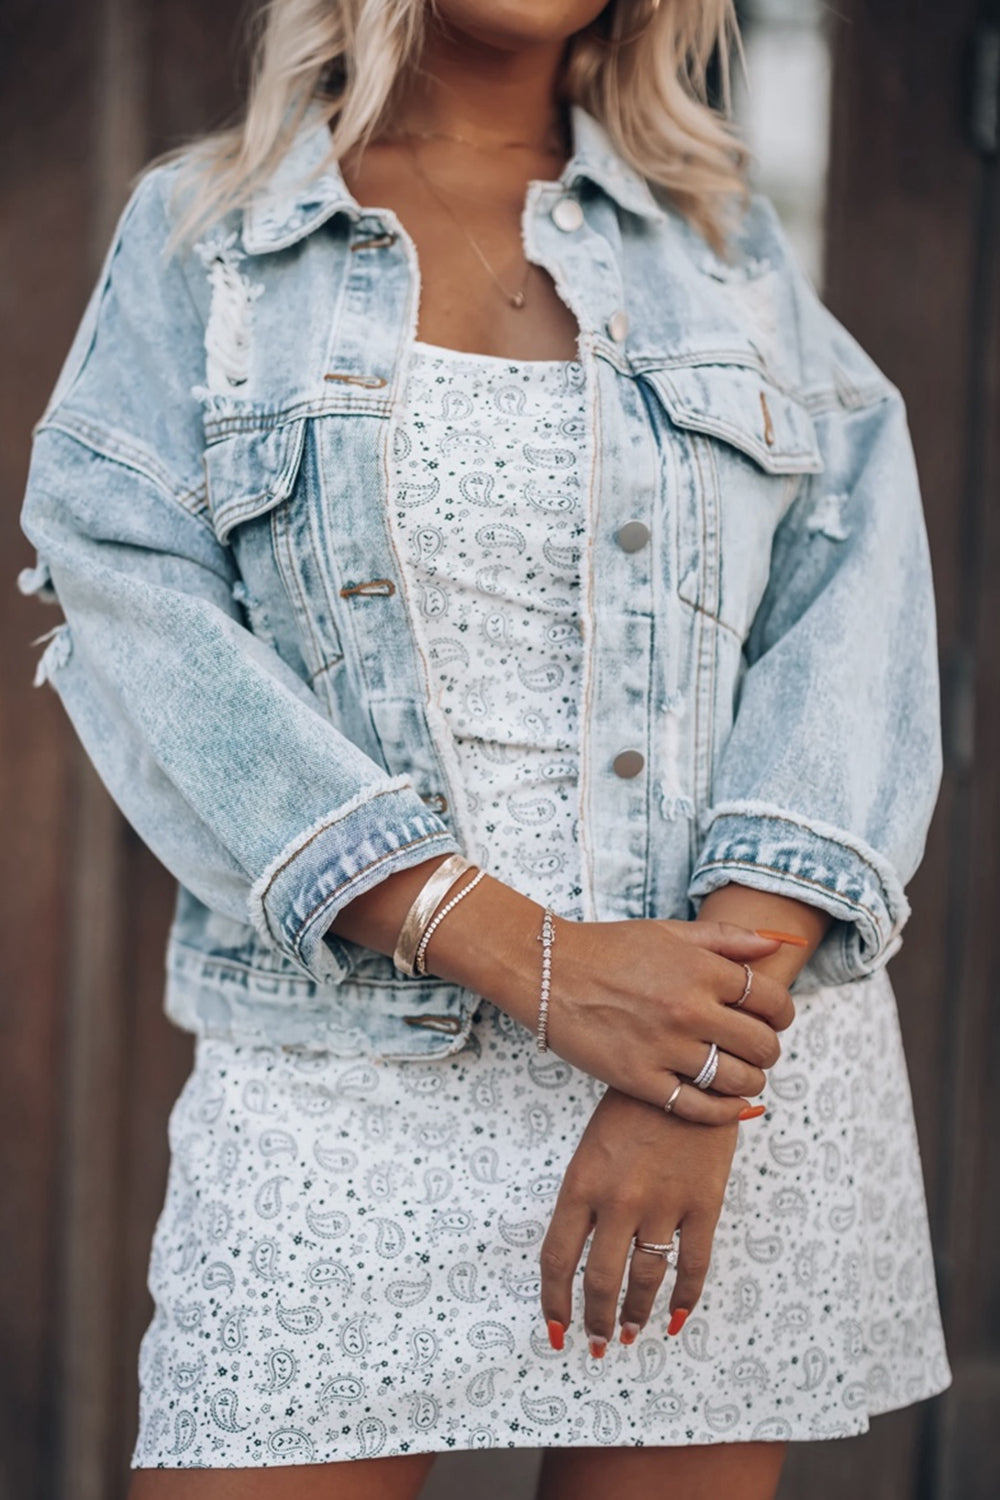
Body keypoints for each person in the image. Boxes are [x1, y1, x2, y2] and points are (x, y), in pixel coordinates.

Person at [18, 1, 951, 1496]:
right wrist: (533, 957)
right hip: (349, 1055)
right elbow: (133, 608)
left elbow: (857, 625)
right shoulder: (211, 236)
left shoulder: (725, 248)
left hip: (711, 1078)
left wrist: (686, 1073)